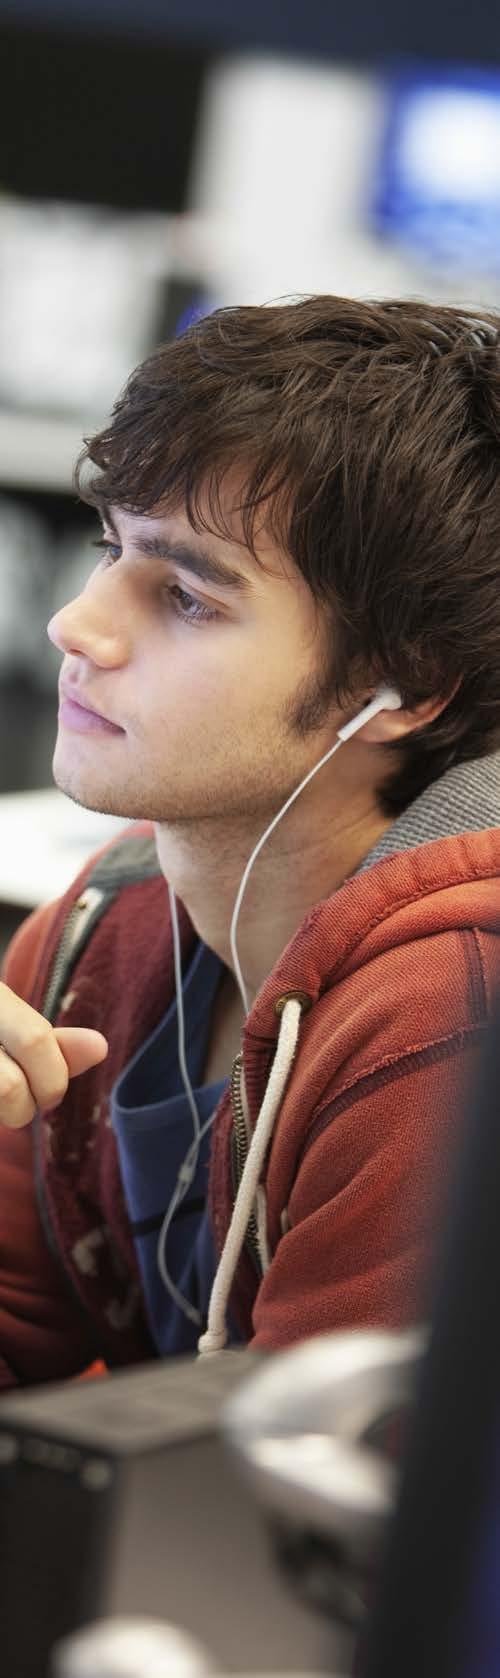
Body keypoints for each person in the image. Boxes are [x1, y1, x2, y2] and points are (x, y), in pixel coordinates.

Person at [0, 294, 499, 1389]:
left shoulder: (451, 1014)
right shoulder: (98, 933)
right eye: (110, 548)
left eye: (185, 596)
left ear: (404, 687)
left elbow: (305, 1479)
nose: (77, 625)